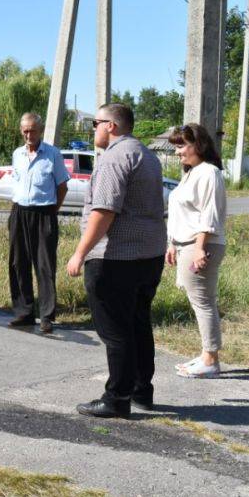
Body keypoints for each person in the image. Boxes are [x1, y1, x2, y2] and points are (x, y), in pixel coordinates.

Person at [67, 103, 167, 419]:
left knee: (116, 330)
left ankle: (117, 398)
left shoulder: (114, 158)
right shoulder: (146, 155)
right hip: (148, 256)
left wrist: (80, 252)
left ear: (111, 125)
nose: (92, 128)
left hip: (116, 258)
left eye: (95, 123)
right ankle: (141, 390)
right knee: (138, 323)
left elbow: (104, 211)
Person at [166, 123, 227, 379]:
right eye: (176, 147)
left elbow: (208, 215)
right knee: (200, 301)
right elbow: (184, 213)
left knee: (203, 303)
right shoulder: (191, 172)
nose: (178, 152)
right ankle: (205, 355)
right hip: (187, 245)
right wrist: (172, 243)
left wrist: (200, 248)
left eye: (181, 145)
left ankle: (211, 360)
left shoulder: (209, 173)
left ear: (198, 144)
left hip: (201, 245)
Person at [6, 113, 70, 333]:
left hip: (44, 213)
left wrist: (52, 211)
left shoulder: (53, 154)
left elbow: (62, 187)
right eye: (25, 130)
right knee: (18, 263)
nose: (28, 134)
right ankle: (24, 312)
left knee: (44, 265)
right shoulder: (17, 154)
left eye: (32, 130)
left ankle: (46, 316)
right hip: (19, 212)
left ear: (40, 130)